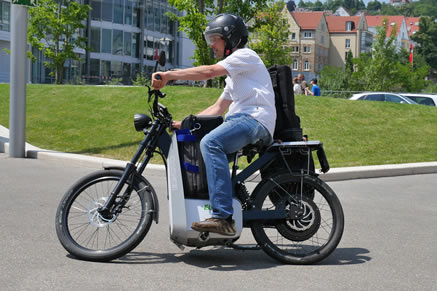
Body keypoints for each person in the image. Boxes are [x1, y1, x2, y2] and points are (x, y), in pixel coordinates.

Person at [151, 14, 276, 236]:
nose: (211, 45)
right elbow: (217, 108)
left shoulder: (246, 56)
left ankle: (223, 218)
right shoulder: (235, 76)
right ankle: (211, 210)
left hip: (255, 120)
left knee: (210, 143)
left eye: (215, 39)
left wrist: (169, 75)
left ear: (231, 39)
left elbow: (209, 71)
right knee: (201, 151)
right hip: (243, 121)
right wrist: (186, 124)